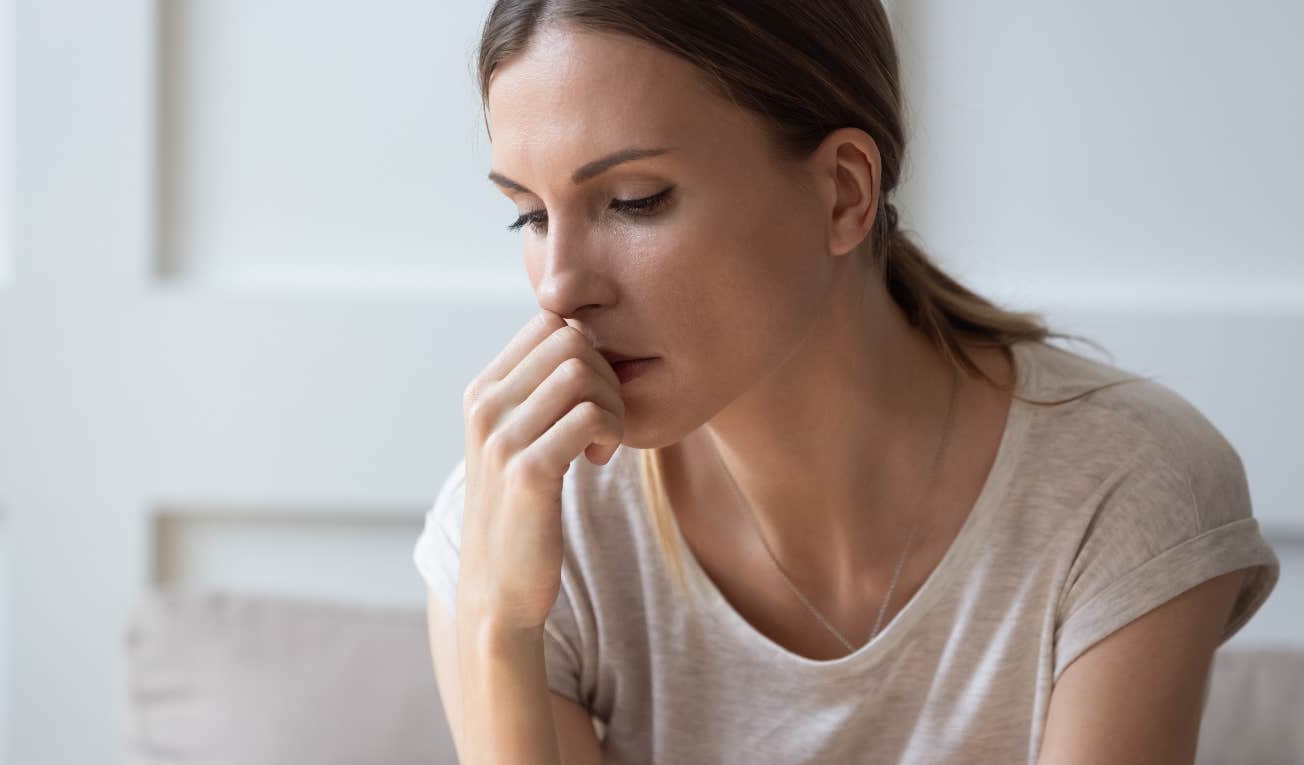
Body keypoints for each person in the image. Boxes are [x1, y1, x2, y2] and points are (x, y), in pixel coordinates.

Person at [412, 2, 1281, 763]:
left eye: (634, 199)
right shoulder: (516, 524)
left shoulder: (1121, 493)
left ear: (842, 192)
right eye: (528, 214)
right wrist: (496, 624)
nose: (560, 284)